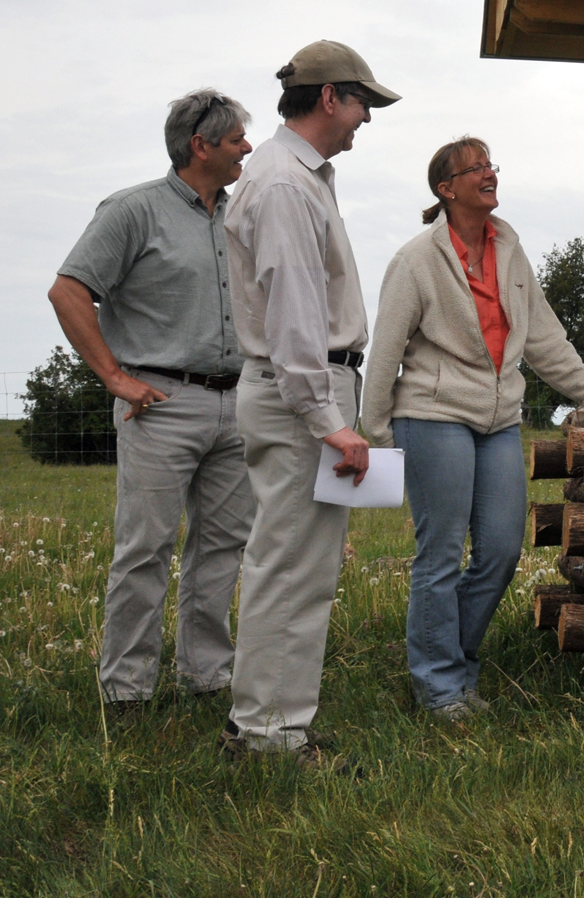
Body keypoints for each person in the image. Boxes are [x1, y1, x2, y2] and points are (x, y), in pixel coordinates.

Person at [363, 138, 584, 720]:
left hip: (499, 420)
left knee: (503, 550)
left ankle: (449, 659)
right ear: (446, 188)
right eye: (475, 167)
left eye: (491, 165)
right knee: (440, 556)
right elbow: (384, 351)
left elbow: (542, 338)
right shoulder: (415, 260)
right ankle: (439, 689)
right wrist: (375, 432)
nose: (489, 174)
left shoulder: (508, 247)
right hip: (432, 416)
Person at [220, 41, 402, 762]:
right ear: (329, 97)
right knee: (289, 567)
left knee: (297, 564)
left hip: (308, 388)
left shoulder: (293, 177)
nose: (365, 119)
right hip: (304, 392)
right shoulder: (288, 186)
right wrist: (328, 422)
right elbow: (294, 313)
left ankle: (271, 723)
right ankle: (267, 733)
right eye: (362, 103)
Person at [48, 89, 257, 710]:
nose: (248, 146)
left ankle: (206, 677)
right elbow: (67, 292)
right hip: (160, 402)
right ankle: (127, 691)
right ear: (200, 145)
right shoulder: (132, 210)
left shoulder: (241, 215)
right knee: (145, 549)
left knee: (222, 547)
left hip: (238, 401)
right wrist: (114, 377)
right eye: (236, 138)